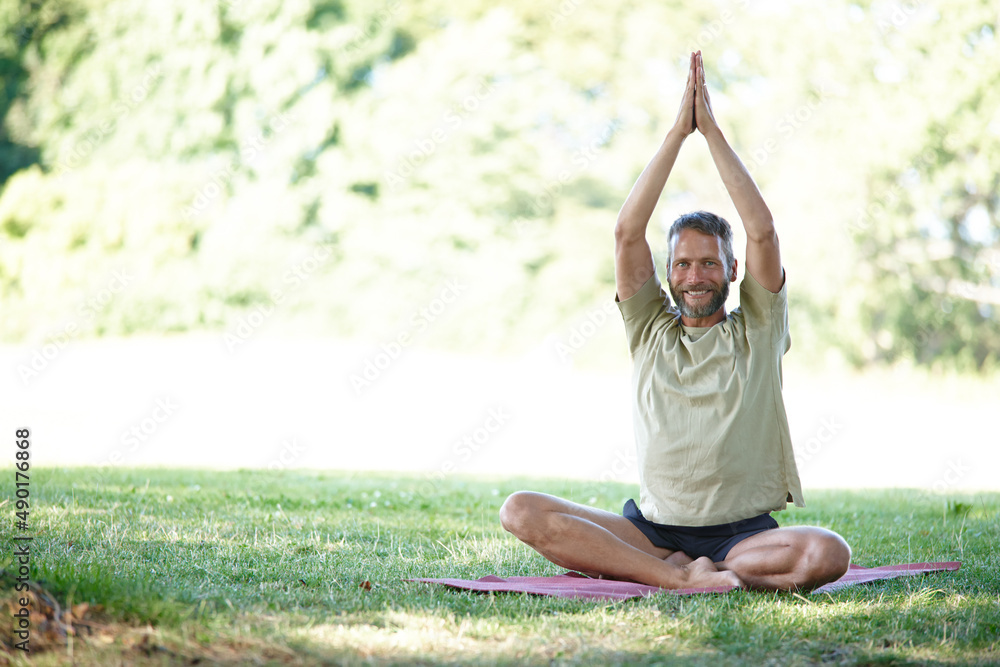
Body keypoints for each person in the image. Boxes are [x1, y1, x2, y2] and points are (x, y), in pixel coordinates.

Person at [500, 51, 851, 591]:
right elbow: (626, 232)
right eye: (682, 264)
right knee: (520, 511)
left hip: (743, 536)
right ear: (667, 274)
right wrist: (674, 135)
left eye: (709, 262)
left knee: (827, 552)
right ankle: (681, 577)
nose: (695, 276)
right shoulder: (650, 330)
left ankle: (695, 572)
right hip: (652, 531)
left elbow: (763, 232)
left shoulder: (757, 329)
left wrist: (709, 133)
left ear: (732, 270)